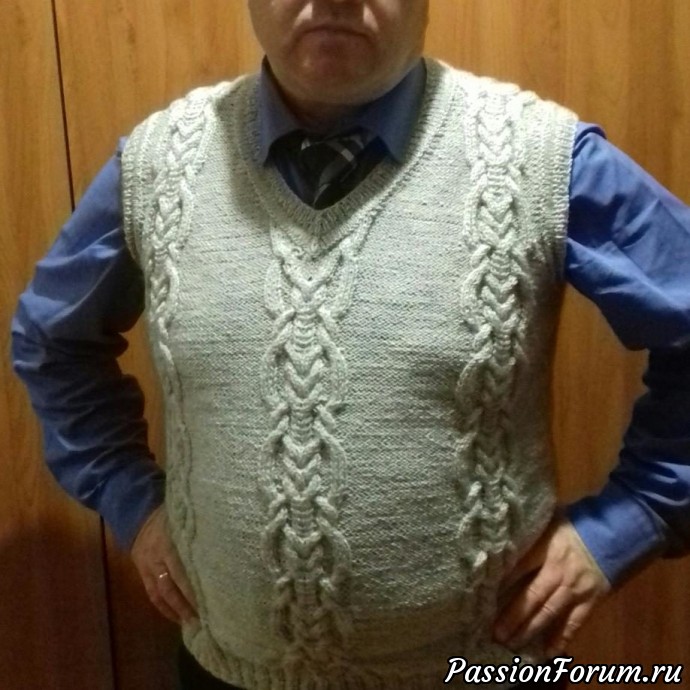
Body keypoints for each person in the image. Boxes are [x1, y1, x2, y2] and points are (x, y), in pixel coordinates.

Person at [11, 1, 690, 688]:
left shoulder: (540, 160)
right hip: (226, 671)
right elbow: (51, 342)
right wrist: (131, 502)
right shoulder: (157, 167)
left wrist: (634, 521)